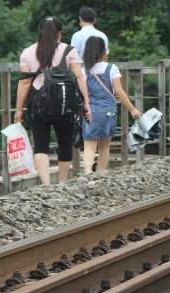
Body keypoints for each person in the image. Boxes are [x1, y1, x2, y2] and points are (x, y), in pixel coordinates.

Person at [14, 16, 91, 185]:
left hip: (38, 104)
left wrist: (18, 109)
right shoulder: (69, 50)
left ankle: (47, 184)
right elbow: (78, 76)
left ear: (40, 32)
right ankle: (62, 182)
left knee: (41, 145)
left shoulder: (27, 52)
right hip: (65, 102)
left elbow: (25, 82)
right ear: (59, 33)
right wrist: (86, 103)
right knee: (65, 143)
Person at [82, 36, 141, 174]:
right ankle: (102, 173)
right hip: (108, 110)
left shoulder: (84, 71)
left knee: (89, 145)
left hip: (90, 111)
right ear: (104, 51)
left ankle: (87, 170)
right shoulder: (111, 68)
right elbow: (119, 91)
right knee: (104, 146)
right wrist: (132, 109)